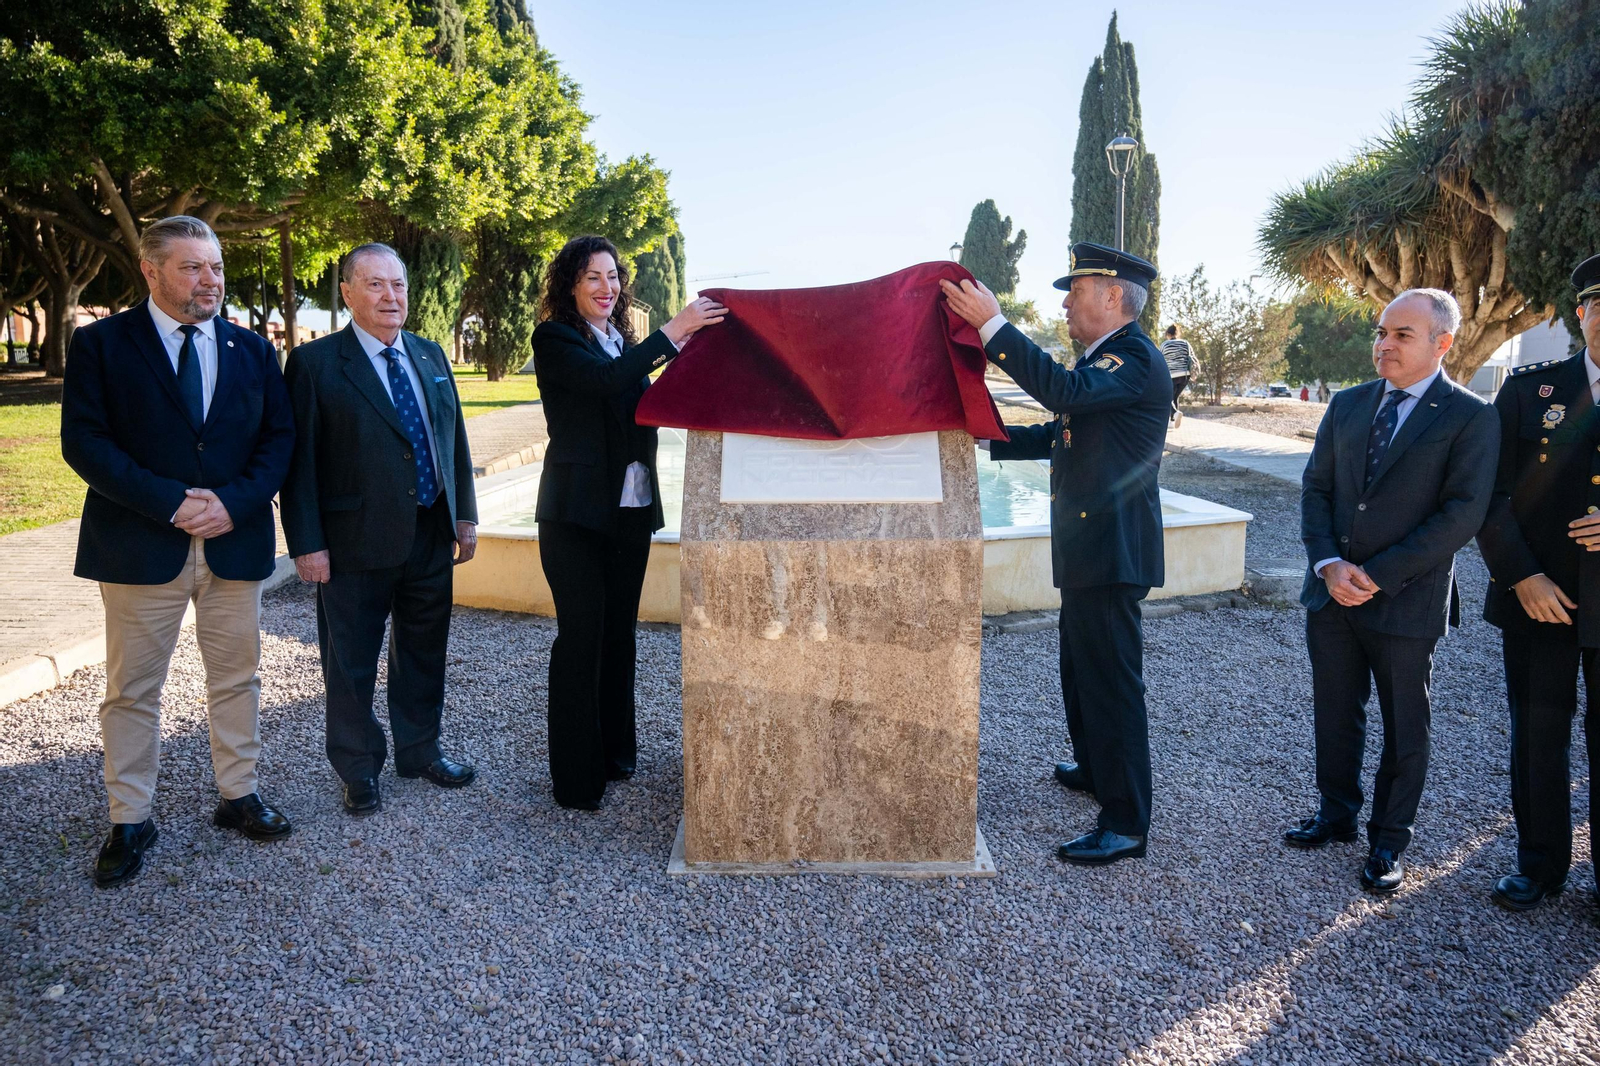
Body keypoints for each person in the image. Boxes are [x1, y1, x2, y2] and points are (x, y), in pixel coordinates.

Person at [60, 215, 295, 887]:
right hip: (141, 542)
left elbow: (278, 438)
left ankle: (238, 794)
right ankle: (130, 817)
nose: (209, 280)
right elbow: (86, 443)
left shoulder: (254, 351)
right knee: (132, 689)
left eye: (215, 267)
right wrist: (170, 501)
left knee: (239, 676)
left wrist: (234, 502)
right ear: (151, 271)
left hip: (233, 539)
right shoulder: (101, 344)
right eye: (192, 267)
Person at [942, 242, 1168, 866]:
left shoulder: (1134, 360)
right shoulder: (1107, 359)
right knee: (1081, 669)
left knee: (1112, 684)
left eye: (1077, 290)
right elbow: (1060, 433)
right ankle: (1096, 769)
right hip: (1090, 547)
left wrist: (993, 325)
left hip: (1112, 552)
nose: (1067, 303)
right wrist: (983, 437)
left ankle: (1125, 822)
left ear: (1114, 296)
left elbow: (1062, 394)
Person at [1288, 288, 1499, 895]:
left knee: (1406, 723)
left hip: (1405, 599)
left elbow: (1461, 515)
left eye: (1401, 335)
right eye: (1382, 332)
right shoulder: (1349, 404)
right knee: (1335, 710)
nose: (1384, 344)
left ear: (1443, 343)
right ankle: (1336, 815)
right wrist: (1329, 564)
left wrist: (1376, 575)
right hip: (1331, 592)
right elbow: (1317, 490)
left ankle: (1388, 840)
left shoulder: (1469, 417)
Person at [280, 243, 479, 816]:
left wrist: (463, 513)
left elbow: (453, 439)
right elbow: (301, 465)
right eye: (375, 285)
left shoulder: (430, 354)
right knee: (350, 662)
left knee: (423, 651)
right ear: (345, 293)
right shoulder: (315, 365)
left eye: (398, 285)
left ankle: (419, 750)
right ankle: (358, 767)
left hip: (428, 534)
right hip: (352, 544)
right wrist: (308, 544)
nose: (391, 297)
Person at [530, 235, 726, 810]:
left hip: (630, 514)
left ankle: (616, 755)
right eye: (592, 277)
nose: (606, 287)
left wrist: (698, 356)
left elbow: (644, 403)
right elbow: (603, 384)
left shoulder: (623, 341)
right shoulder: (557, 339)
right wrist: (678, 328)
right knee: (581, 640)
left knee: (619, 637)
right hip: (574, 517)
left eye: (613, 276)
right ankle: (575, 779)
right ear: (570, 285)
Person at [1476, 253, 1600, 912]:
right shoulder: (1531, 390)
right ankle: (1540, 865)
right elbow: (1486, 496)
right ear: (1582, 315)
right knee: (1538, 737)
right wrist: (1521, 575)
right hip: (1538, 599)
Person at [1160, 324, 1194, 427]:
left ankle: (1174, 413)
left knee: (1167, 398)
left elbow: (1159, 359)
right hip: (1185, 375)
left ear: (1168, 334)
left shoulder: (1165, 345)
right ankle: (1172, 421)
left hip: (1171, 375)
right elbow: (1192, 357)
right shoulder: (1186, 343)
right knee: (1174, 397)